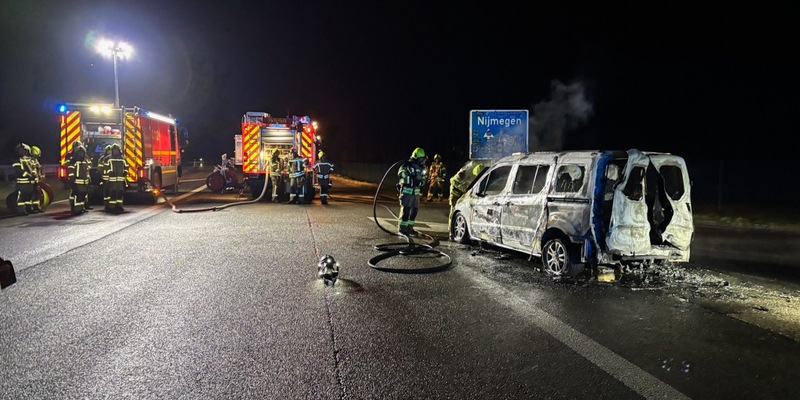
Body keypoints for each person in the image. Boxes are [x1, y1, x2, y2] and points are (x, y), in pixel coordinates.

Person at [397, 147, 427, 235]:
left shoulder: (422, 168)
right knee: (406, 210)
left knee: (414, 211)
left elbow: (424, 178)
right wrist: (409, 178)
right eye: (421, 159)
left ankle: (410, 228)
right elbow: (400, 174)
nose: (422, 161)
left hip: (416, 193)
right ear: (416, 157)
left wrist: (421, 181)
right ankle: (402, 229)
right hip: (407, 191)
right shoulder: (407, 165)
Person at [448, 162, 484, 230]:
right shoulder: (462, 173)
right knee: (454, 211)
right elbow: (453, 181)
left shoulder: (475, 171)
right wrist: (464, 189)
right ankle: (451, 229)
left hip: (463, 194)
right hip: (455, 194)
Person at [11, 143, 36, 215]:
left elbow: (32, 168)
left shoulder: (28, 159)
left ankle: (29, 208)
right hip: (21, 182)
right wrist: (28, 175)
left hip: (29, 182)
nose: (22, 152)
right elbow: (19, 170)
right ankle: (21, 210)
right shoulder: (17, 160)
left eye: (24, 150)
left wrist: (34, 174)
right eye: (21, 150)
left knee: (29, 196)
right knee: (22, 197)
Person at [67, 144, 91, 215]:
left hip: (84, 182)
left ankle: (81, 208)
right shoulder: (73, 161)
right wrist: (72, 181)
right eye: (80, 153)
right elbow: (71, 172)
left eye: (82, 153)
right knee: (77, 196)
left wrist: (88, 179)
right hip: (77, 182)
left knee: (82, 196)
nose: (81, 154)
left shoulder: (84, 162)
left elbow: (86, 172)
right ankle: (76, 209)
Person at [105, 144, 128, 213]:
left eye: (116, 150)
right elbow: (105, 167)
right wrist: (110, 172)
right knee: (113, 193)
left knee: (120, 193)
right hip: (112, 180)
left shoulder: (123, 158)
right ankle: (112, 206)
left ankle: (119, 205)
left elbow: (126, 166)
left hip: (120, 179)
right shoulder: (108, 158)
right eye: (114, 150)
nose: (115, 151)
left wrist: (125, 172)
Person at [28, 145, 45, 213]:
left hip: (37, 180)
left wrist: (41, 176)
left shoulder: (35, 160)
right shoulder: (29, 160)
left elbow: (38, 169)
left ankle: (36, 206)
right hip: (31, 181)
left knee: (37, 194)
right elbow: (31, 170)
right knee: (31, 194)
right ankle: (30, 208)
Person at [99, 145, 113, 209]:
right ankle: (106, 204)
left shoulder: (113, 158)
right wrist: (103, 172)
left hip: (112, 178)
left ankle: (111, 204)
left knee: (112, 191)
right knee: (106, 191)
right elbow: (100, 167)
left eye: (110, 151)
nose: (109, 152)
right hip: (105, 178)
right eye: (108, 151)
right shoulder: (102, 158)